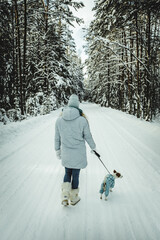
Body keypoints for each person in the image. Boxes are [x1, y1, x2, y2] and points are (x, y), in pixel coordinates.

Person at [54, 94, 96, 206]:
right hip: (78, 154)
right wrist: (94, 148)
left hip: (66, 153)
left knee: (67, 172)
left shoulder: (59, 120)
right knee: (76, 175)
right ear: (77, 105)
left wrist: (57, 150)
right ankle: (73, 198)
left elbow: (56, 138)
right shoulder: (82, 120)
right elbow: (88, 136)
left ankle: (64, 195)